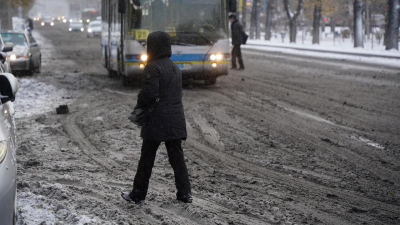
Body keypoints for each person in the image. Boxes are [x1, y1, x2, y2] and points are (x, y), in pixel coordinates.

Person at [121, 31, 192, 204]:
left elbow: (150, 94)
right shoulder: (175, 67)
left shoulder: (152, 67)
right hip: (175, 119)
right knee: (177, 158)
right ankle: (185, 194)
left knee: (147, 158)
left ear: (153, 46)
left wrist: (140, 100)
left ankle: (138, 194)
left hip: (156, 121)